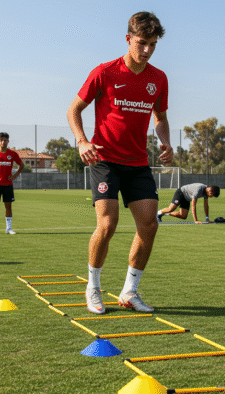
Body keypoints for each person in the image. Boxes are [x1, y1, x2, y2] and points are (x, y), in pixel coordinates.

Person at [67, 11, 173, 314]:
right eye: (142, 43)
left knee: (149, 225)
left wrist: (165, 142)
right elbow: (73, 110)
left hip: (138, 162)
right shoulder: (104, 72)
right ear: (128, 39)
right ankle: (93, 288)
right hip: (105, 160)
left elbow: (161, 119)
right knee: (108, 224)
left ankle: (129, 292)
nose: (147, 50)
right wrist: (82, 141)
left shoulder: (159, 79)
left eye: (153, 44)